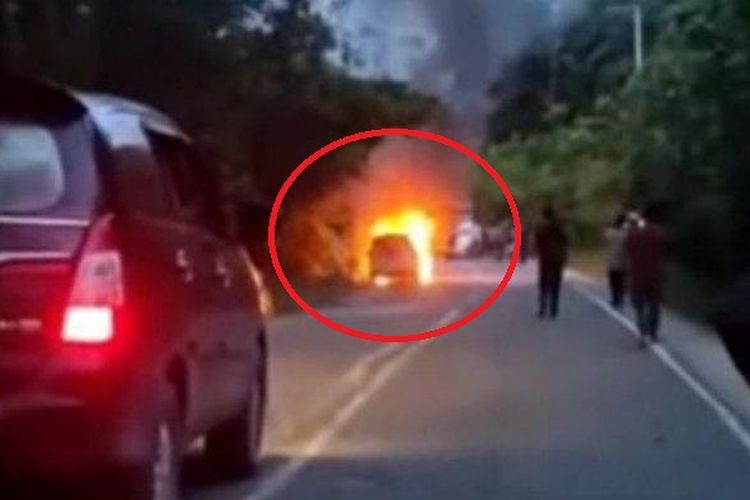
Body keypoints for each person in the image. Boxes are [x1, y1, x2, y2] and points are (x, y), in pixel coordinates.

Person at [625, 205, 668, 347]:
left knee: (639, 307)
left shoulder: (633, 234)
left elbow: (628, 251)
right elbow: (665, 254)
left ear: (643, 217)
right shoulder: (660, 234)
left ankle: (642, 333)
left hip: (637, 274)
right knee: (654, 305)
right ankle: (653, 333)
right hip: (655, 275)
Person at [535, 207, 569, 319]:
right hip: (557, 258)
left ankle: (543, 308)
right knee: (556, 282)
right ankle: (554, 308)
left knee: (544, 282)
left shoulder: (541, 228)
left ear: (544, 216)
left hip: (545, 258)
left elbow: (537, 242)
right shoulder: (559, 227)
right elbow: (565, 242)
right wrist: (564, 256)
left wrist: (539, 252)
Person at [605, 214, 628, 308]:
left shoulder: (609, 233)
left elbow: (606, 243)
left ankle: (615, 298)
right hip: (623, 260)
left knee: (613, 280)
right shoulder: (625, 234)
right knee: (621, 280)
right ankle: (620, 297)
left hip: (612, 260)